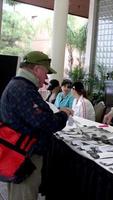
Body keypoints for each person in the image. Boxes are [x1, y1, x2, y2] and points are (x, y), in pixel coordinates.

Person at [0, 51, 73, 200]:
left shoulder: (18, 85)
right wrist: (63, 114)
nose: (46, 78)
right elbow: (45, 122)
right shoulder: (23, 89)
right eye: (46, 73)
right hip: (25, 157)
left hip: (19, 155)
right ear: (37, 69)